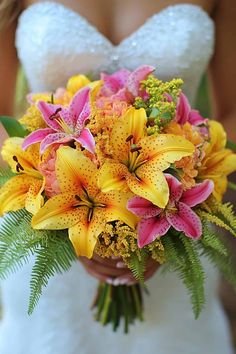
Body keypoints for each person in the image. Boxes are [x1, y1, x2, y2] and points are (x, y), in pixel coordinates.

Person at [0, 1, 235, 353]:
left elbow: (231, 113)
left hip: (172, 231)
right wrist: (69, 221)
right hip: (48, 234)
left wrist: (164, 218)